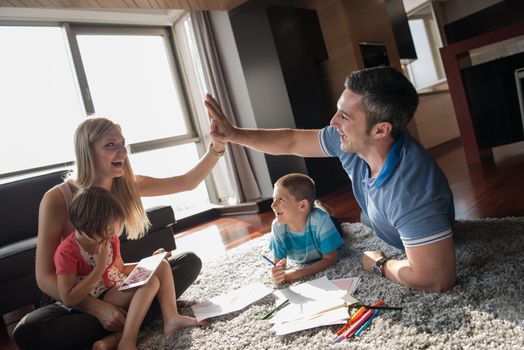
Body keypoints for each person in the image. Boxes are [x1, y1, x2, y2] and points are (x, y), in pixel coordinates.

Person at [205, 66, 456, 292]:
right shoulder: (350, 138)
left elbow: (436, 279)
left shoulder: (411, 192)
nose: (333, 122)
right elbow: (292, 140)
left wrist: (379, 263)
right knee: (362, 219)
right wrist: (234, 134)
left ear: (381, 130)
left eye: (344, 116)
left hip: (403, 226)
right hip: (375, 215)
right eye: (338, 111)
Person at [14, 116, 225, 349]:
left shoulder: (126, 184)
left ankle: (126, 325)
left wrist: (217, 147)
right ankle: (141, 316)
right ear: (88, 151)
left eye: (123, 144)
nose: (122, 152)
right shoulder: (56, 199)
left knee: (188, 262)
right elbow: (44, 276)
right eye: (111, 144)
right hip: (74, 296)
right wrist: (99, 308)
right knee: (29, 331)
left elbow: (187, 182)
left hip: (113, 286)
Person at [55, 187, 203, 350]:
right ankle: (127, 340)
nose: (112, 237)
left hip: (117, 285)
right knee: (151, 282)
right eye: (108, 232)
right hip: (98, 296)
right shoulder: (67, 252)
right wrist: (98, 269)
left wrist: (150, 262)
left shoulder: (109, 240)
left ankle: (171, 318)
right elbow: (68, 298)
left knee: (161, 265)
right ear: (88, 228)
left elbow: (120, 268)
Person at [267, 173, 344, 284]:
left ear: (302, 205)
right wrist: (275, 272)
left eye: (281, 199)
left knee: (333, 218)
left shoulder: (321, 220)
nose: (273, 205)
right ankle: (318, 205)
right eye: (274, 199)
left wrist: (297, 273)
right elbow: (278, 263)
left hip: (328, 224)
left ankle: (320, 206)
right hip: (311, 217)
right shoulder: (277, 227)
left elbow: (331, 258)